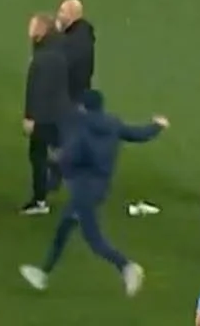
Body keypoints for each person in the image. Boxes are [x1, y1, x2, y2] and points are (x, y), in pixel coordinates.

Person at [18, 90, 167, 297]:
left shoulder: (81, 126)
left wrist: (54, 163)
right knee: (64, 228)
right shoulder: (113, 123)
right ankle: (43, 273)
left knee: (94, 239)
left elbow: (72, 154)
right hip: (100, 187)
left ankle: (127, 266)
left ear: (83, 106)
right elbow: (138, 134)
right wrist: (157, 126)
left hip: (83, 191)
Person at [21, 14, 70, 216]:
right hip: (57, 112)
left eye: (33, 25)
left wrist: (31, 117)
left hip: (44, 116)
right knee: (53, 151)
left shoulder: (44, 57)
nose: (29, 29)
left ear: (42, 30)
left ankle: (39, 201)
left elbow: (37, 89)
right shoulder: (55, 50)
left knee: (38, 156)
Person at [54, 0, 95, 101]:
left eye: (62, 11)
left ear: (71, 16)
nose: (58, 15)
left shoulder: (72, 41)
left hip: (71, 97)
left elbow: (56, 62)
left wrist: (56, 35)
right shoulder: (84, 34)